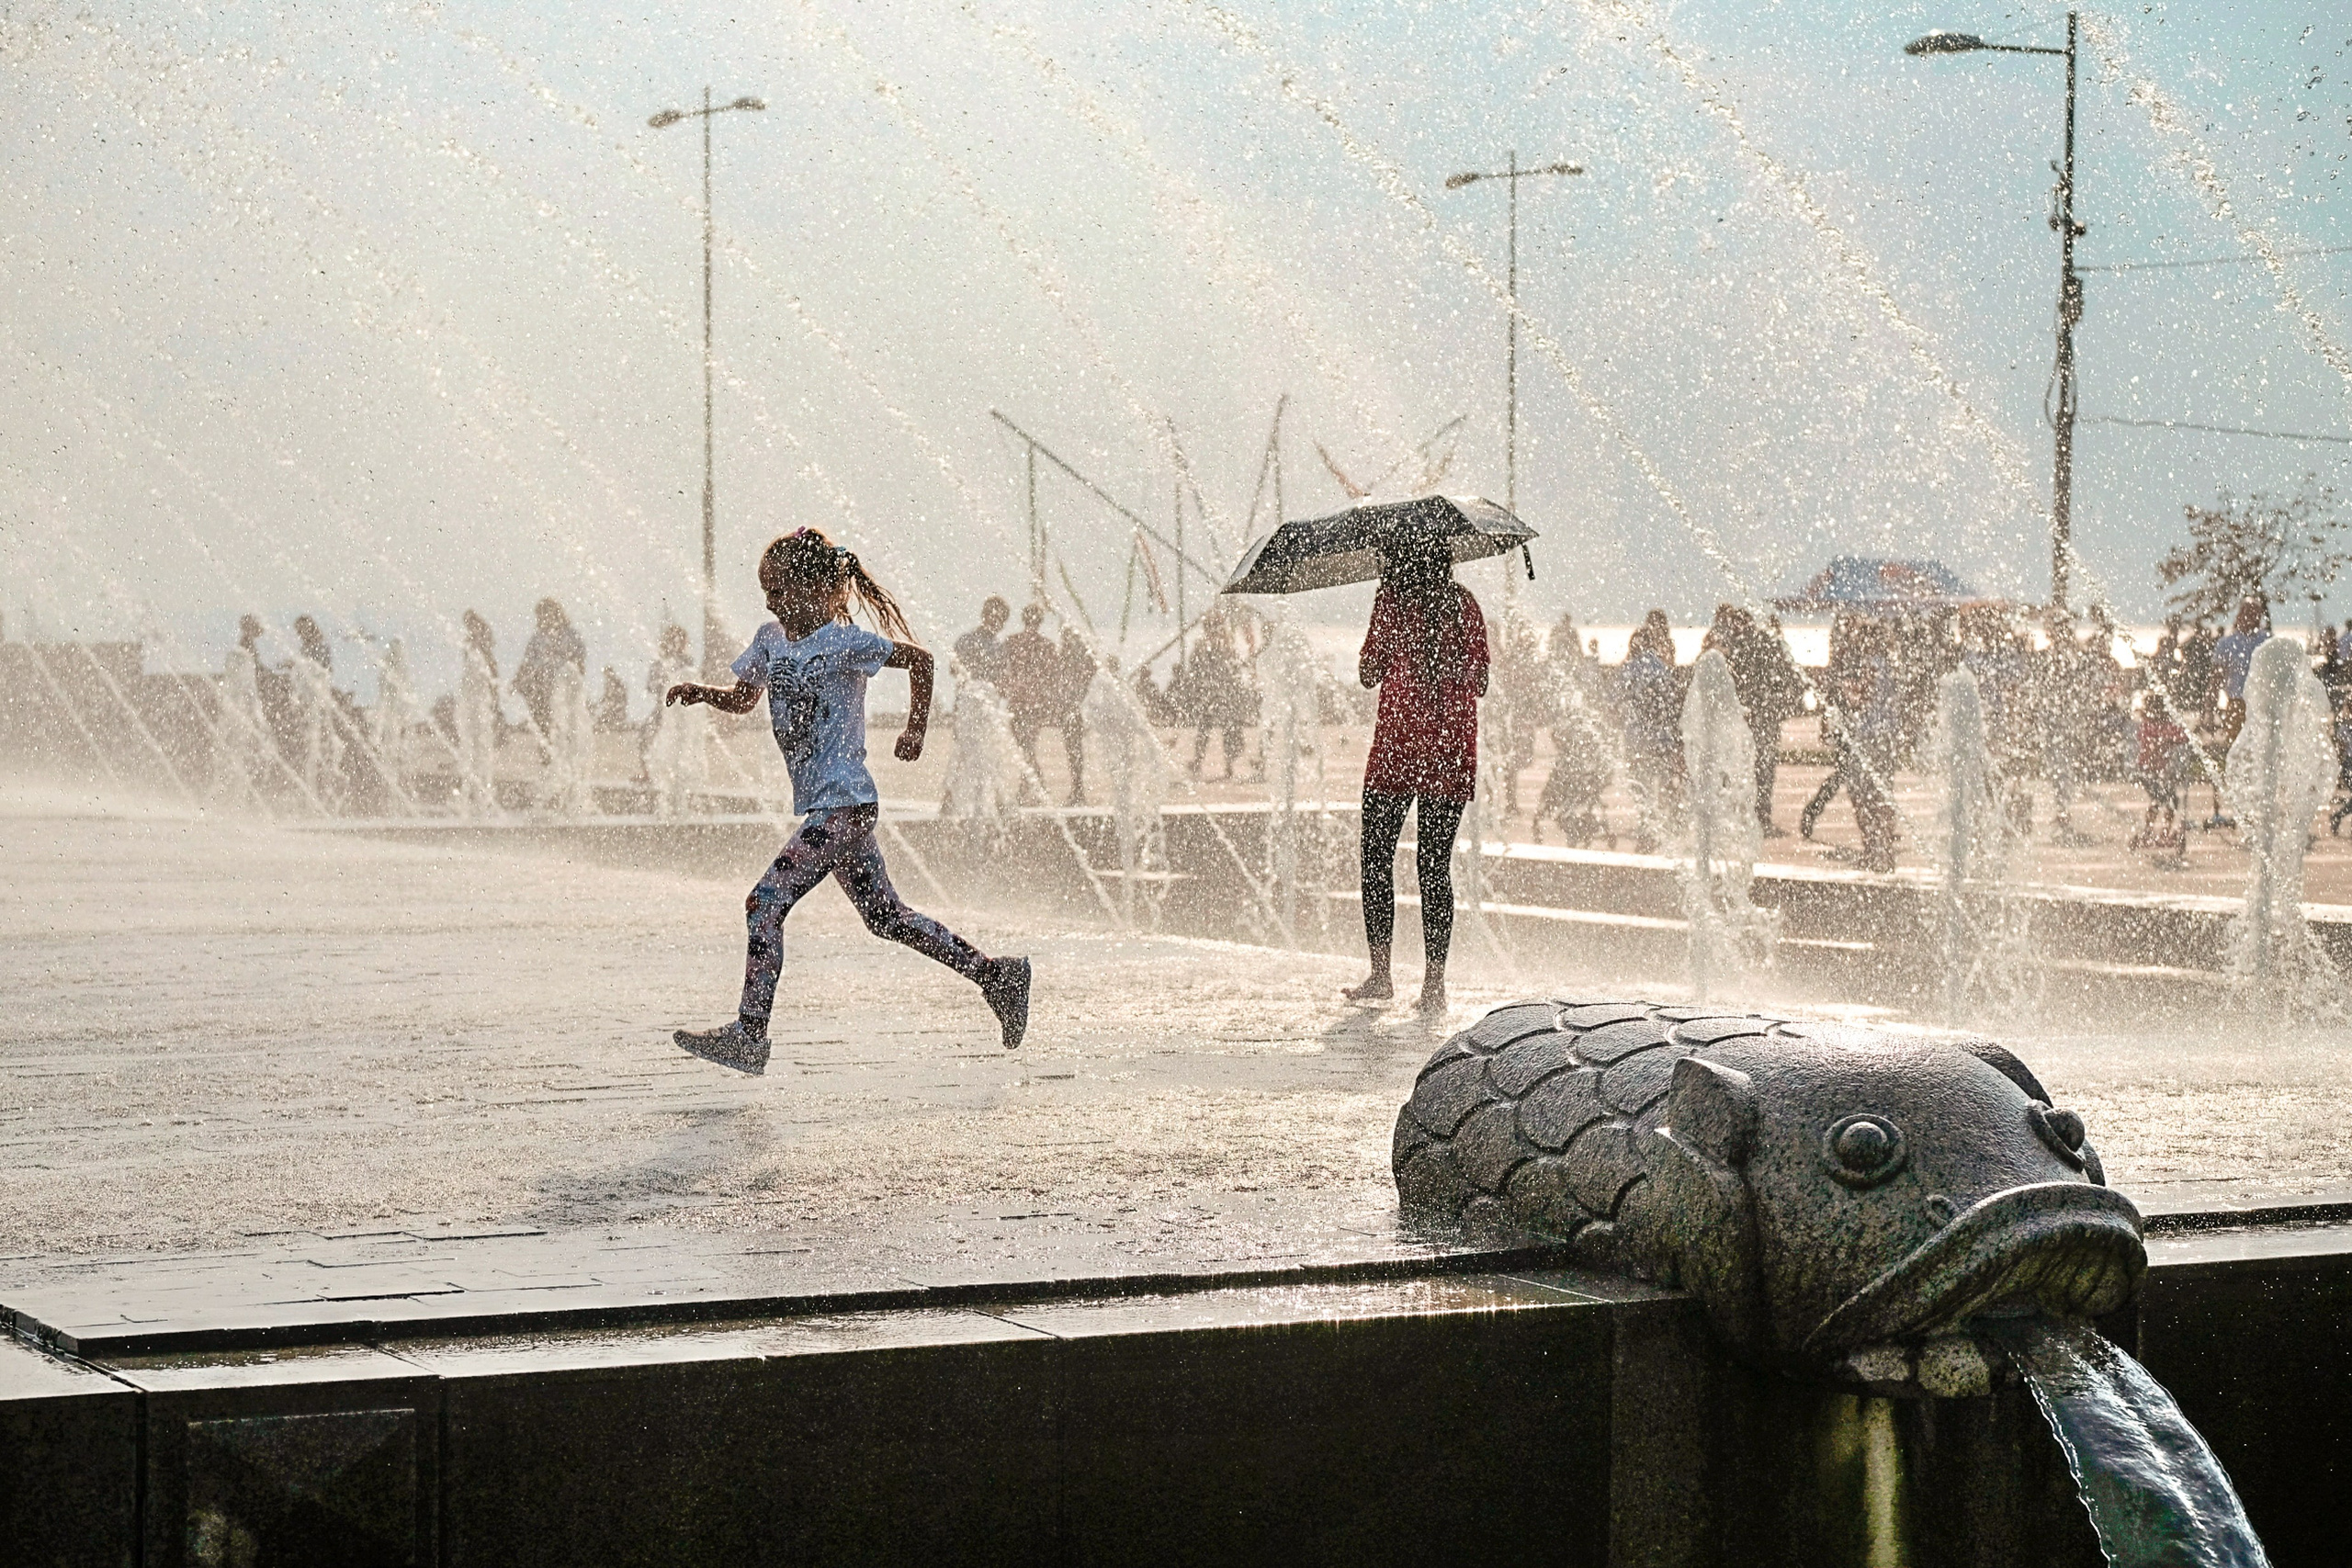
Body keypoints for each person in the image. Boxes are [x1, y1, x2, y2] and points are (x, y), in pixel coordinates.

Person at [665, 527, 1032, 1073]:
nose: (770, 601)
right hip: (826, 806)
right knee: (885, 916)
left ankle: (750, 1033)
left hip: (846, 803)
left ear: (818, 590)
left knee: (764, 903)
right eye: (765, 590)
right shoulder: (770, 639)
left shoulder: (845, 641)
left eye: (781, 590)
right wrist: (703, 693)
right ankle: (997, 976)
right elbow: (745, 700)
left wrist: (915, 730)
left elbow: (921, 661)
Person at [1345, 538, 1489, 1014]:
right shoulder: (1464, 603)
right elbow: (1482, 682)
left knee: (1376, 859)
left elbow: (1368, 674)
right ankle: (1434, 985)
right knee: (1434, 867)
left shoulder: (1391, 602)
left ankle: (1382, 974)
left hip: (1397, 749)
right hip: (1449, 750)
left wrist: (1387, 650)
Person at [1702, 604, 1804, 836]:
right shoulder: (1763, 643)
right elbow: (1786, 677)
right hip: (1762, 718)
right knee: (1762, 769)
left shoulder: (1736, 647)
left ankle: (1738, 817)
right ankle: (1759, 817)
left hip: (1748, 718)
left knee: (1739, 768)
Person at [1615, 611, 1681, 854]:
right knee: (1661, 782)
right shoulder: (1660, 666)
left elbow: (1614, 701)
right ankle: (1665, 825)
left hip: (1636, 739)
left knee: (1641, 785)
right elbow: (1671, 700)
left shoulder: (1628, 669)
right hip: (1661, 738)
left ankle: (1648, 826)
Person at [1179, 611, 1252, 780]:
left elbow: (1196, 668)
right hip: (1221, 693)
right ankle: (1226, 765)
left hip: (1214, 693)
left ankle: (1208, 763)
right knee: (1218, 729)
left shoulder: (1209, 645)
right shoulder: (1225, 645)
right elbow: (1234, 670)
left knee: (1209, 729)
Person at [998, 603, 1060, 798]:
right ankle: (1034, 786)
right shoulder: (1047, 645)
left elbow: (1004, 671)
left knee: (1024, 746)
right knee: (1027, 745)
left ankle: (1032, 786)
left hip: (1018, 702)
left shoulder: (1011, 642)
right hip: (1035, 703)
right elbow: (1053, 678)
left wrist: (1006, 689)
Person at [512, 598, 585, 752]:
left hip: (564, 687)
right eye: (541, 615)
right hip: (540, 686)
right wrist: (516, 682)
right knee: (543, 724)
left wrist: (578, 683)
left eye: (546, 613)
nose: (543, 618)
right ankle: (548, 760)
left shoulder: (570, 635)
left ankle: (568, 757)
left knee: (566, 722)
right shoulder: (537, 638)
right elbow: (527, 663)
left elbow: (579, 661)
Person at [2132, 691, 2193, 857]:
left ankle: (2155, 831)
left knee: (2165, 800)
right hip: (2149, 772)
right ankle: (2155, 831)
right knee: (2163, 800)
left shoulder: (2155, 724)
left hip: (2156, 772)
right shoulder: (2150, 725)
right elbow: (2177, 736)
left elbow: (2182, 736)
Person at [1056, 625, 1095, 807]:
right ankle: (1078, 789)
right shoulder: (1084, 657)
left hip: (1073, 710)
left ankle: (1078, 790)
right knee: (1075, 750)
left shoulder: (1069, 657)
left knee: (1074, 750)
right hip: (1077, 710)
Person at [954, 596, 1011, 692]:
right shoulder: (967, 640)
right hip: (967, 695)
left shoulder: (1000, 647)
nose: (997, 623)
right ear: (984, 615)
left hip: (989, 697)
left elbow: (1003, 678)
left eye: (1002, 620)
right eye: (995, 617)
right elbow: (953, 668)